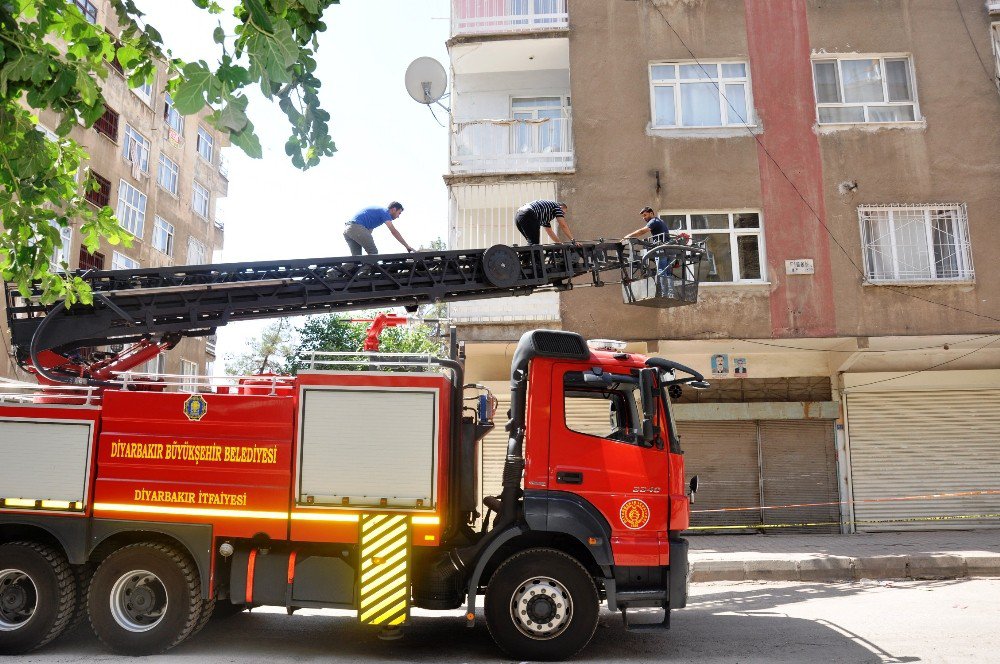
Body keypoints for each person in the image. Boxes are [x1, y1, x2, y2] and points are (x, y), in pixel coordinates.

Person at [624, 206, 675, 298]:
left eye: (645, 215)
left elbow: (642, 231)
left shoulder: (654, 221)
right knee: (668, 272)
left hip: (661, 249)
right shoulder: (661, 221)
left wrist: (628, 236)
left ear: (651, 213)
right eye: (643, 216)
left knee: (661, 271)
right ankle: (670, 293)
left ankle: (665, 293)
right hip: (670, 249)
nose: (644, 218)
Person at [343, 202, 415, 256]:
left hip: (348, 229)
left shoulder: (378, 213)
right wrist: (407, 246)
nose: (398, 216)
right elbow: (394, 231)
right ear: (394, 209)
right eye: (399, 213)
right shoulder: (385, 213)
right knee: (374, 253)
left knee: (356, 259)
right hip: (356, 228)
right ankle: (363, 274)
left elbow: (368, 232)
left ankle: (333, 273)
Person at [514, 200, 578, 245]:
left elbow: (550, 232)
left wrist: (559, 244)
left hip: (518, 216)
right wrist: (573, 240)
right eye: (563, 212)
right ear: (561, 208)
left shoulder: (546, 216)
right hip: (528, 213)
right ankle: (536, 263)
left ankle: (525, 262)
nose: (562, 215)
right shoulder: (557, 207)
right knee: (535, 245)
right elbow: (563, 225)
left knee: (531, 243)